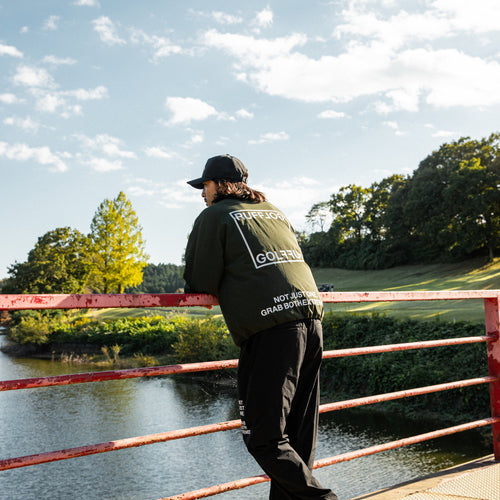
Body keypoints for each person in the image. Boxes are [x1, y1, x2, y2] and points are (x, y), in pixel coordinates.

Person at [183, 154, 337, 500]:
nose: (201, 193)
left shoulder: (214, 216)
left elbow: (200, 280)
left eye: (204, 185)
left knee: (264, 438)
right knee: (296, 438)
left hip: (271, 331)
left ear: (220, 185)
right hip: (311, 323)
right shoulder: (274, 212)